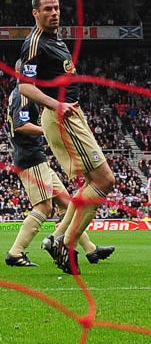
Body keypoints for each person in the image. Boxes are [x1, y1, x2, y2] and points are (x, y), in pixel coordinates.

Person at [17, 0, 117, 275]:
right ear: (35, 13)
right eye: (47, 9)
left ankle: (58, 238)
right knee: (104, 180)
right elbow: (24, 86)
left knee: (92, 182)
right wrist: (56, 105)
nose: (54, 13)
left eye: (56, 8)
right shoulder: (35, 43)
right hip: (61, 116)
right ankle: (65, 242)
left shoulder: (54, 39)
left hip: (71, 114)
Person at [5, 78, 115, 270]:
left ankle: (90, 249)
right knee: (44, 208)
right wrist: (47, 131)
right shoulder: (23, 94)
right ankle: (16, 252)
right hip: (31, 158)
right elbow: (20, 125)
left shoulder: (24, 94)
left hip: (36, 158)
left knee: (67, 202)